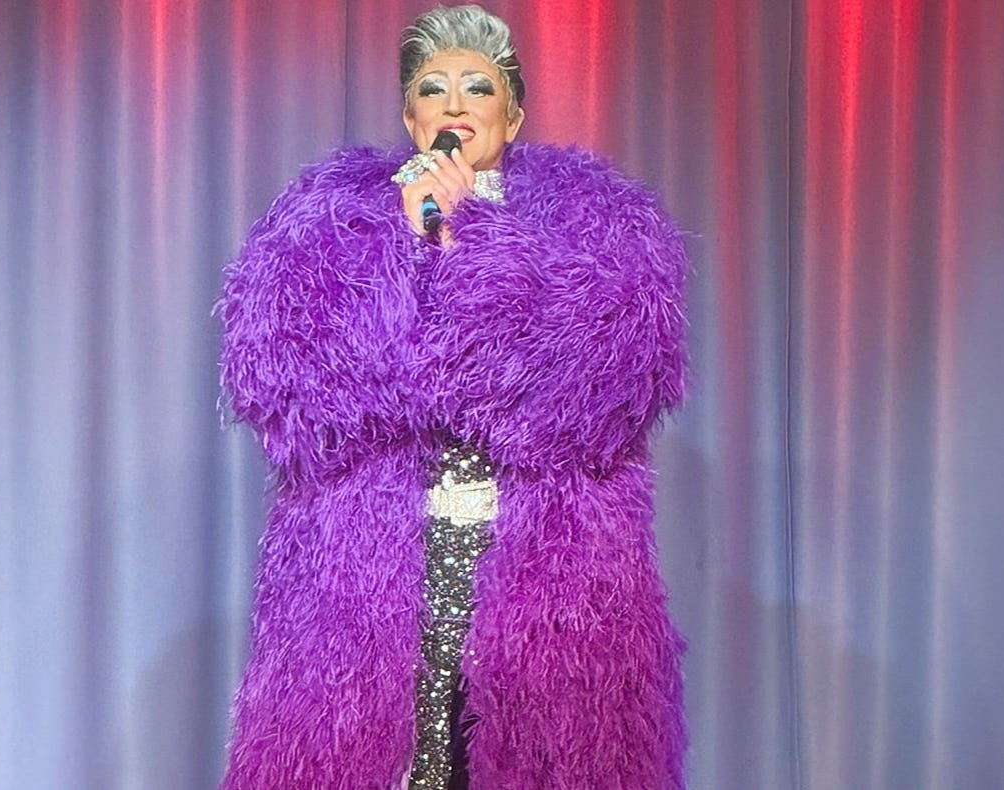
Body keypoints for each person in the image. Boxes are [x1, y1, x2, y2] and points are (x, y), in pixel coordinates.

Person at [216, 5, 689, 788]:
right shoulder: (331, 229)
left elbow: (596, 390)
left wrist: (471, 242)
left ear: (514, 114)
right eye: (434, 90)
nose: (457, 105)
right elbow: (288, 387)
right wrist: (401, 248)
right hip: (364, 578)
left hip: (549, 575)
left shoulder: (595, 228)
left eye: (479, 87)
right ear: (412, 119)